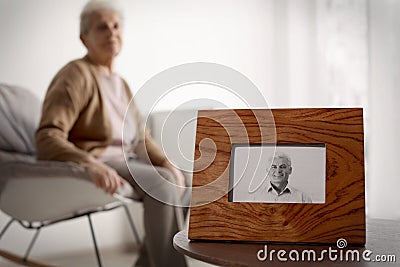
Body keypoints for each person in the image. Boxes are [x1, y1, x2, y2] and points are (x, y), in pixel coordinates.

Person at [35, 1, 188, 266]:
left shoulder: (121, 83)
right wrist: (89, 163)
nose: (111, 33)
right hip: (102, 161)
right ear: (84, 38)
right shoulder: (75, 75)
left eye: (116, 26)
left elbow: (141, 139)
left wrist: (166, 162)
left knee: (181, 178)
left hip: (128, 160)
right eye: (101, 28)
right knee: (162, 184)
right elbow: (47, 136)